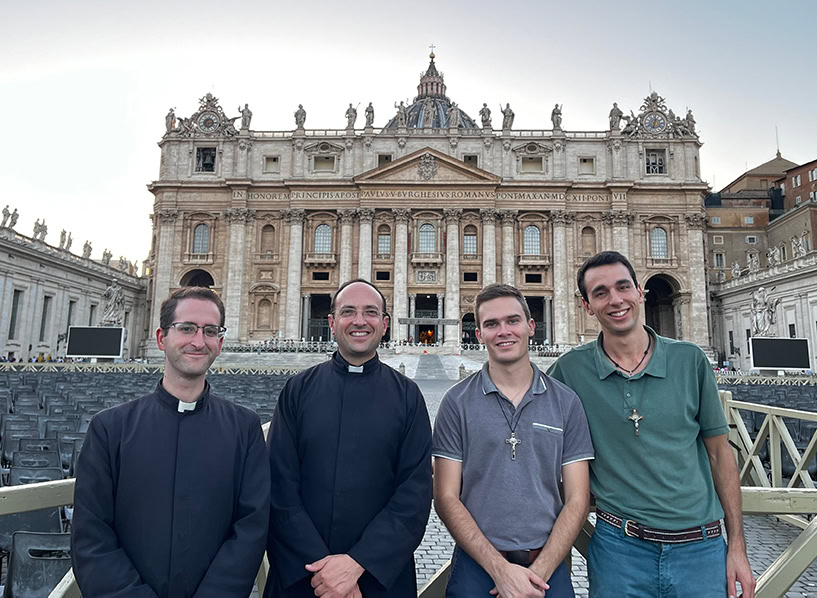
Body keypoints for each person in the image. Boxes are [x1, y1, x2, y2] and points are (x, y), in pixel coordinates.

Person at [547, 251, 755, 598]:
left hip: (700, 549)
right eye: (600, 293)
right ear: (586, 305)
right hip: (620, 550)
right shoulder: (570, 371)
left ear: (640, 291)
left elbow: (721, 456)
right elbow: (526, 421)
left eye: (623, 287)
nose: (615, 300)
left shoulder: (691, 361)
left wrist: (737, 546)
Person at [72, 287, 269, 597]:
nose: (198, 341)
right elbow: (92, 536)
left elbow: (251, 529)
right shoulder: (109, 429)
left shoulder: (245, 428)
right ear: (162, 338)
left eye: (210, 331)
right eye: (187, 328)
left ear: (220, 342)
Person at [266, 278, 432, 597]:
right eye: (348, 312)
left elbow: (414, 493)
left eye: (370, 312)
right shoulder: (297, 390)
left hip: (377, 576)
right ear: (332, 323)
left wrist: (358, 563)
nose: (359, 321)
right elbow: (279, 486)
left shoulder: (408, 396)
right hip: (306, 576)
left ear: (384, 324)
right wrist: (325, 572)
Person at [434, 283, 593, 598]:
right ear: (478, 333)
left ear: (530, 326)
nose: (503, 331)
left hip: (547, 568)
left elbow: (578, 499)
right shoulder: (455, 402)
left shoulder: (567, 402)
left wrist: (538, 574)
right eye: (491, 324)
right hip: (477, 567)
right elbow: (446, 497)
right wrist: (500, 571)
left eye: (512, 321)